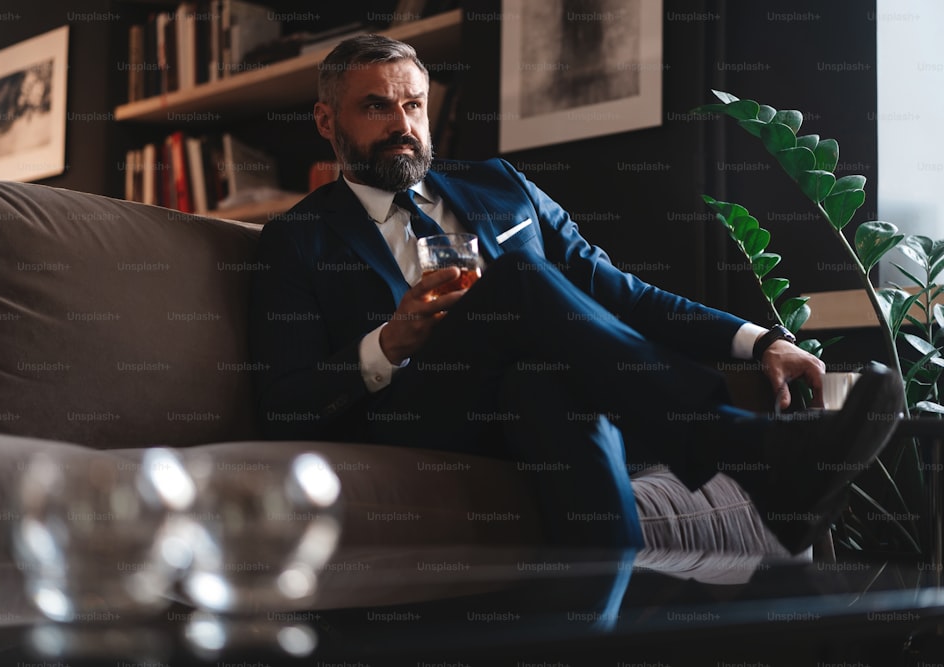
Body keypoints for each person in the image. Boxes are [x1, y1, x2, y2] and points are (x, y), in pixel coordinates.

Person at [249, 34, 903, 554]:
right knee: (523, 279)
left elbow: (619, 291)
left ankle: (597, 628)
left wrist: (761, 339)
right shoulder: (295, 239)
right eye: (376, 106)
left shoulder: (501, 186)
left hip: (519, 399)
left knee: (541, 380)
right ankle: (743, 448)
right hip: (413, 412)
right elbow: (282, 405)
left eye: (413, 104)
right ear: (326, 119)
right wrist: (388, 343)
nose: (403, 123)